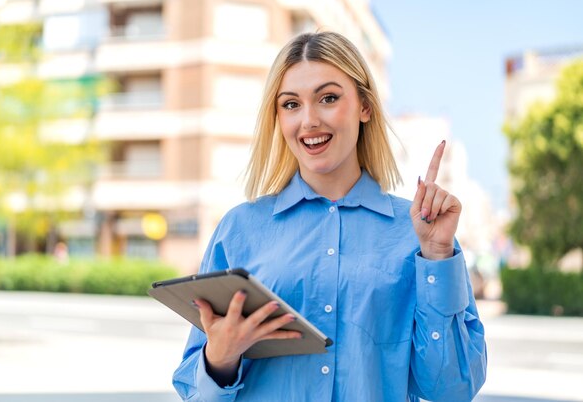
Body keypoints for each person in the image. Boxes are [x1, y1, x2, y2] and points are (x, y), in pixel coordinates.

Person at [173, 31, 487, 401]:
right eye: (291, 104)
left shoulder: (418, 234)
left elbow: (453, 390)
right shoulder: (241, 229)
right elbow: (193, 392)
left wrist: (436, 256)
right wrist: (220, 358)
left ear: (365, 107)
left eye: (328, 98)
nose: (308, 121)